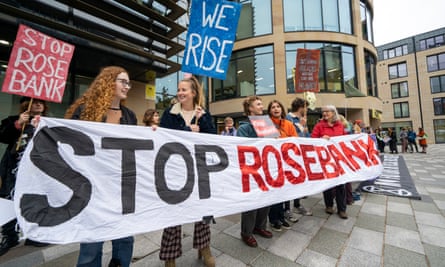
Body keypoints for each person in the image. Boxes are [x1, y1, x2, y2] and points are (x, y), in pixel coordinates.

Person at [65, 66, 136, 267]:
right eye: (123, 81)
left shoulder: (129, 115)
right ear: (108, 82)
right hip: (92, 188)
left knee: (125, 240)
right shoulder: (85, 110)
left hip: (121, 188)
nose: (127, 86)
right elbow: (67, 140)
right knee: (91, 247)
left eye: (128, 82)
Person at [158, 76, 216, 267]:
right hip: (174, 172)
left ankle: (204, 247)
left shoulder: (203, 114)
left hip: (199, 170)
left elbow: (213, 139)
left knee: (202, 211)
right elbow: (165, 137)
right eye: (179, 89)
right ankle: (170, 256)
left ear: (193, 93)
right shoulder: (169, 113)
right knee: (173, 214)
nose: (180, 93)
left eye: (184, 90)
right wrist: (186, 129)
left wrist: (202, 126)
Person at [0, 97, 50, 256]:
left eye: (41, 102)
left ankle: (32, 234)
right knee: (10, 200)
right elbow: (3, 136)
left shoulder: (48, 123)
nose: (38, 104)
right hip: (14, 169)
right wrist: (18, 124)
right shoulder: (13, 120)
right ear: (25, 104)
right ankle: (9, 236)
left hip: (37, 170)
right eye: (35, 101)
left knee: (35, 200)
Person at [237, 96, 273, 247]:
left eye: (261, 104)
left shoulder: (267, 124)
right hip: (251, 171)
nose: (261, 106)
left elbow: (274, 145)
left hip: (266, 169)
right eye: (258, 104)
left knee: (265, 200)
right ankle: (246, 232)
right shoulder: (243, 128)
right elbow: (242, 148)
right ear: (250, 109)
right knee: (251, 203)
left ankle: (260, 226)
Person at [311, 105, 348, 219]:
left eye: (327, 111)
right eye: (323, 112)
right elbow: (312, 140)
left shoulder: (340, 125)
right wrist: (321, 140)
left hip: (338, 159)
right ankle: (329, 205)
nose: (325, 113)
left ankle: (342, 209)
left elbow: (345, 139)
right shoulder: (319, 126)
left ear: (333, 113)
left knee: (341, 184)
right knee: (328, 184)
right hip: (325, 159)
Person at [266, 100, 297, 232]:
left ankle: (282, 217)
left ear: (282, 109)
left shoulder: (289, 124)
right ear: (269, 111)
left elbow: (295, 141)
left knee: (283, 192)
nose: (276, 109)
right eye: (273, 107)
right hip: (272, 163)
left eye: (278, 106)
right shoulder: (266, 124)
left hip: (285, 162)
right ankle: (273, 219)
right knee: (274, 192)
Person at [285, 97, 313, 217]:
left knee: (298, 180)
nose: (307, 110)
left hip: (301, 155)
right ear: (301, 107)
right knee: (289, 180)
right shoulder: (288, 118)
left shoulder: (302, 119)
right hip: (290, 155)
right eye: (306, 107)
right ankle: (286, 208)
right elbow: (291, 137)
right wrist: (301, 128)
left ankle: (297, 204)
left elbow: (306, 138)